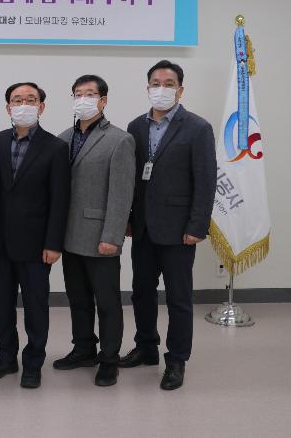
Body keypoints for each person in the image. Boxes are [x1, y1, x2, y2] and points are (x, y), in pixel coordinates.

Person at [120, 60, 216, 391]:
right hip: (143, 228)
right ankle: (146, 346)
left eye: (169, 83)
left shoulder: (197, 128)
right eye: (155, 83)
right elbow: (132, 179)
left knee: (178, 298)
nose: (161, 89)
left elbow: (206, 181)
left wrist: (197, 226)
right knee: (141, 292)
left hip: (179, 230)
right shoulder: (136, 126)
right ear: (147, 88)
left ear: (180, 89)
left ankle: (176, 359)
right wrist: (129, 218)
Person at [0, 82, 70, 389]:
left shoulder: (56, 147)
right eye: (17, 100)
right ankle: (5, 357)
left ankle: (33, 362)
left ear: (41, 106)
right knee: (2, 304)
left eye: (30, 100)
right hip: (0, 240)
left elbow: (60, 199)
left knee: (36, 306)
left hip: (37, 244)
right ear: (8, 107)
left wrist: (54, 243)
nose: (23, 105)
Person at [53, 75, 135, 387]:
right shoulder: (62, 138)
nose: (83, 99)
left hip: (100, 236)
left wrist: (112, 236)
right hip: (69, 235)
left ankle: (109, 359)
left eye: (90, 94)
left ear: (103, 101)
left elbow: (121, 194)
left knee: (107, 302)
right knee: (78, 298)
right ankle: (83, 348)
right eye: (78, 94)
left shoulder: (119, 140)